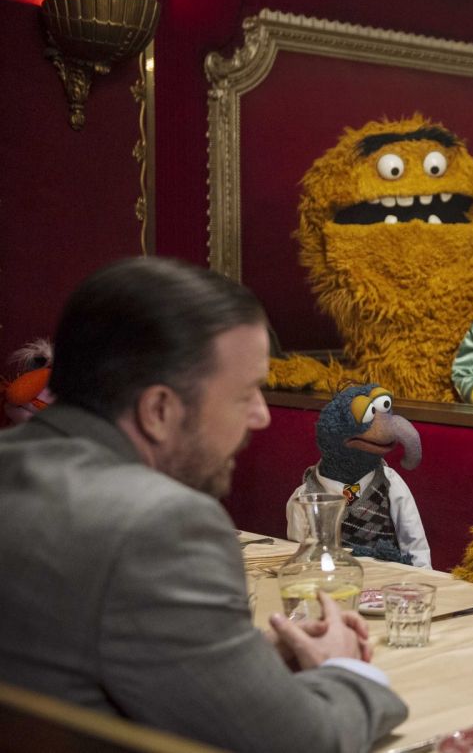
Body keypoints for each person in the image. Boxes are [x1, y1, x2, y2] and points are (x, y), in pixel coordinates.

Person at [0, 257, 407, 752]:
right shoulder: (160, 524)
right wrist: (345, 668)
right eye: (245, 394)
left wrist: (241, 662)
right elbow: (302, 743)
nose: (260, 416)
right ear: (159, 409)